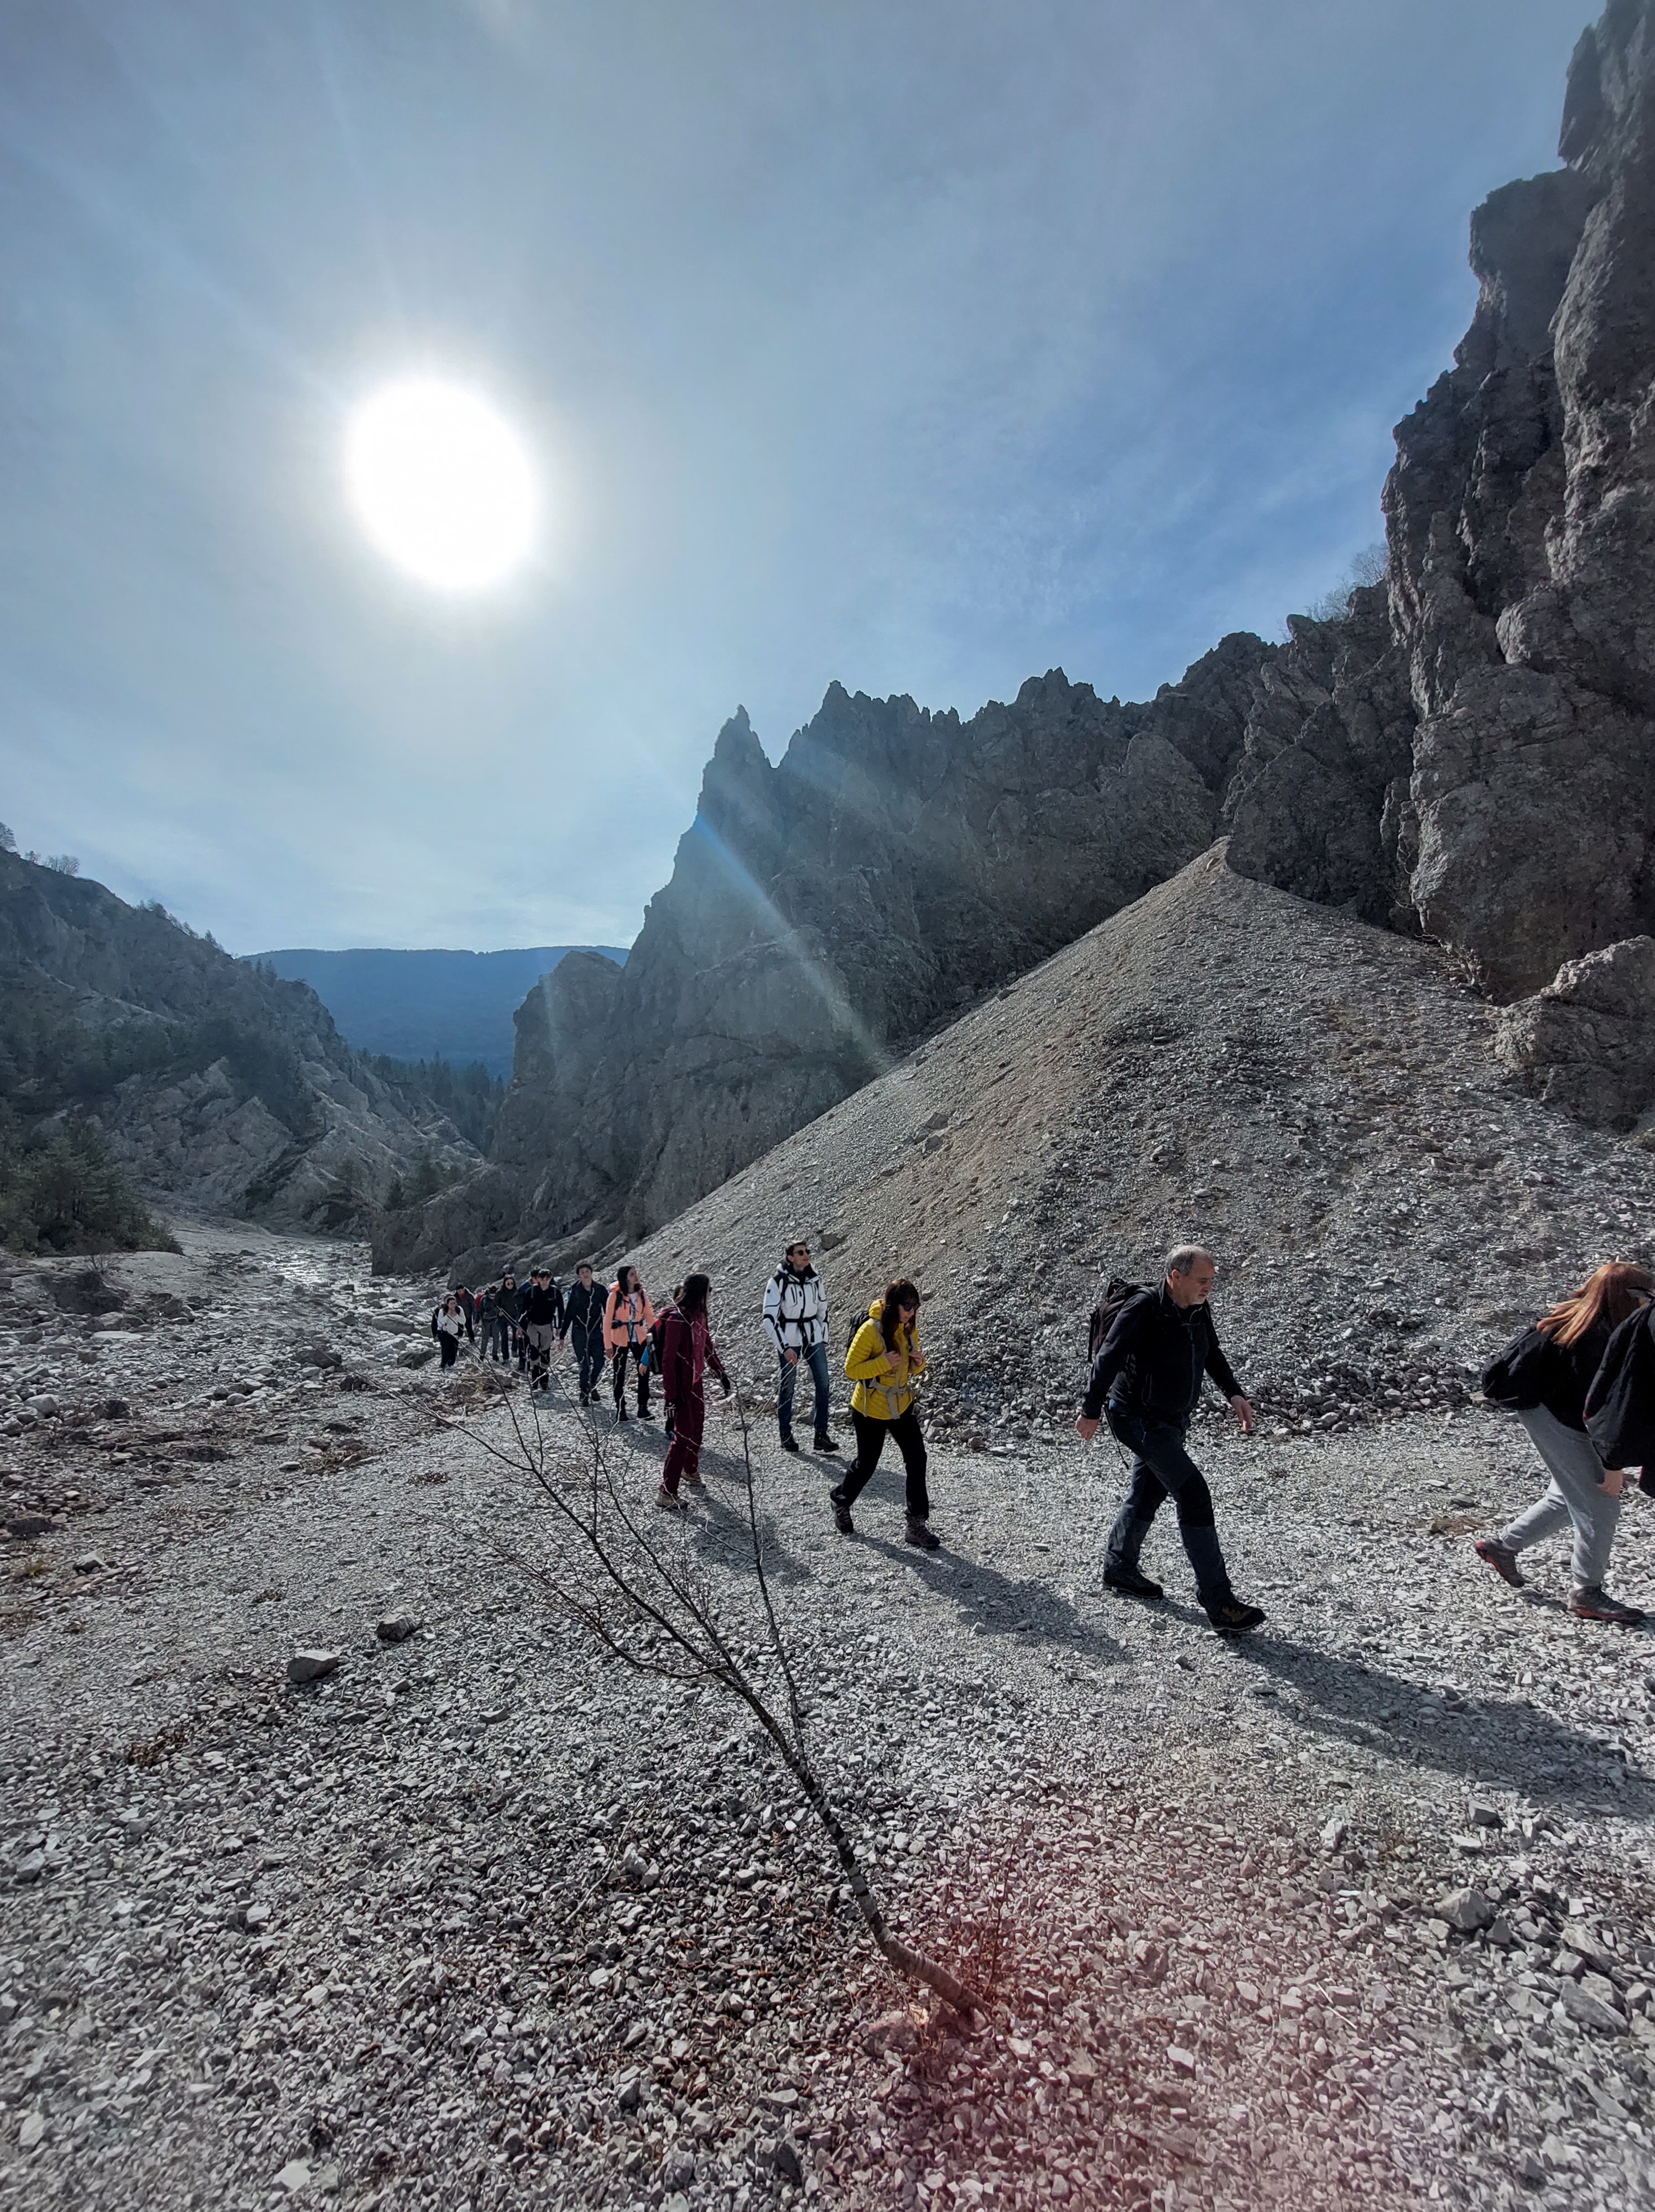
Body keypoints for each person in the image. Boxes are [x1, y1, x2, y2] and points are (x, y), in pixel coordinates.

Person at [1076, 1245, 1265, 1636]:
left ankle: (1119, 1567)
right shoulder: (1144, 1308)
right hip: (1137, 1418)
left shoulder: (1197, 1309)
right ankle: (1219, 1602)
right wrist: (1090, 1410)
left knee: (1149, 1491)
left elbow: (1211, 1352)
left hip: (1172, 1421)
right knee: (1193, 1492)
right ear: (1176, 1277)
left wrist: (1234, 1393)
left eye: (1211, 1281)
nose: (1208, 1288)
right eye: (1202, 1280)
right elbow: (1109, 1357)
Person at [1475, 1259, 1652, 1626]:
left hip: (1550, 1410)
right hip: (1554, 1417)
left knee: (1566, 1494)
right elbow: (1606, 1412)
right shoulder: (1600, 1339)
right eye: (1647, 1296)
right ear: (1629, 1297)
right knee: (1601, 1504)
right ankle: (1586, 1593)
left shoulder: (1574, 1320)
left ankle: (1501, 1547)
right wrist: (1611, 1466)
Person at [830, 1279, 936, 1548]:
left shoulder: (908, 1327)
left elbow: (910, 1368)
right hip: (870, 1409)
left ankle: (916, 1523)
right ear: (894, 1305)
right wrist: (882, 1363)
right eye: (908, 1307)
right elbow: (851, 1370)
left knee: (917, 1458)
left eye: (915, 1307)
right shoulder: (870, 1329)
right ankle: (841, 1502)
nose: (912, 1312)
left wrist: (918, 1365)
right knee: (866, 1464)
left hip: (901, 1405)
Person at [657, 1273, 732, 1509]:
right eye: (709, 1290)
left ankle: (689, 1470)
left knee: (698, 1426)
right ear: (701, 1293)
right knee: (683, 1436)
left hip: (696, 1382)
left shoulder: (700, 1316)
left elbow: (707, 1345)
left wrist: (720, 1372)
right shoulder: (678, 1320)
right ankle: (666, 1492)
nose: (711, 1294)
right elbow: (668, 1361)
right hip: (682, 1386)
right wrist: (671, 1396)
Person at [763, 1240, 839, 1454]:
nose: (806, 1255)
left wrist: (822, 1336)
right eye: (801, 1252)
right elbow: (769, 1318)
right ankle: (785, 1434)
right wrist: (784, 1347)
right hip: (790, 1338)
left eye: (807, 1251)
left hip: (813, 1336)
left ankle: (821, 1435)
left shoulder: (815, 1279)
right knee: (788, 1385)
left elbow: (822, 1307)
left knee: (824, 1383)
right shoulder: (778, 1282)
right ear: (791, 1257)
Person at [604, 1264, 657, 1422]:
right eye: (632, 1274)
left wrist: (657, 1333)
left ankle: (643, 1408)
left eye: (636, 1273)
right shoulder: (615, 1295)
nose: (636, 1276)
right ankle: (621, 1409)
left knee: (644, 1370)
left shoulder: (642, 1294)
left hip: (639, 1336)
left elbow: (649, 1315)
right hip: (619, 1338)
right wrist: (608, 1346)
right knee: (619, 1373)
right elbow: (607, 1321)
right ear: (625, 1278)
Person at [561, 1262, 607, 1405]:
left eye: (587, 1271)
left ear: (591, 1273)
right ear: (579, 1275)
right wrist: (562, 1336)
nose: (585, 1274)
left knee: (600, 1361)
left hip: (596, 1331)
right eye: (582, 1272)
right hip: (579, 1332)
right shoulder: (576, 1291)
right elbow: (569, 1314)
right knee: (584, 1364)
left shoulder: (600, 1290)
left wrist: (613, 1328)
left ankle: (592, 1384)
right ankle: (583, 1393)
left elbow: (608, 1310)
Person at [520, 1266, 565, 1395]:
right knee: (534, 1351)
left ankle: (544, 1380)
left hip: (547, 1325)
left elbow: (561, 1310)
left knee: (545, 1352)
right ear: (538, 1279)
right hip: (532, 1325)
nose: (545, 1280)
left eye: (547, 1278)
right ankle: (535, 1378)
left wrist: (559, 1327)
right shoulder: (531, 1291)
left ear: (551, 1278)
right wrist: (520, 1327)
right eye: (542, 1278)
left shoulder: (555, 1292)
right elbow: (523, 1309)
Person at [431, 1292, 469, 1373]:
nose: (453, 1305)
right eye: (451, 1304)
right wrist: (448, 1316)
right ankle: (443, 1365)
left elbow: (463, 1321)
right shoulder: (442, 1311)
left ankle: (451, 1364)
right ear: (447, 1304)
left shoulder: (459, 1310)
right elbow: (439, 1323)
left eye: (454, 1303)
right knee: (446, 1349)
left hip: (455, 1333)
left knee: (454, 1350)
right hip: (444, 1333)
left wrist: (456, 1316)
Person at [477, 1281, 508, 1365]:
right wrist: (477, 1321)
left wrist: (501, 1315)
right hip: (486, 1321)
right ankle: (482, 1355)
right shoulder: (484, 1299)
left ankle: (495, 1354)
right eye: (491, 1296)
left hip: (496, 1320)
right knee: (485, 1338)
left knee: (496, 1337)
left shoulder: (499, 1299)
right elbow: (480, 1310)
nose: (493, 1297)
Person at [498, 1272, 521, 1368]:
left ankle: (514, 1350)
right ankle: (505, 1357)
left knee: (517, 1333)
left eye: (512, 1283)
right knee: (504, 1336)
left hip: (514, 1316)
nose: (510, 1285)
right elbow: (496, 1305)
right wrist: (499, 1311)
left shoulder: (517, 1292)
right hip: (503, 1317)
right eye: (508, 1284)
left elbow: (520, 1303)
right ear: (505, 1284)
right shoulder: (500, 1293)